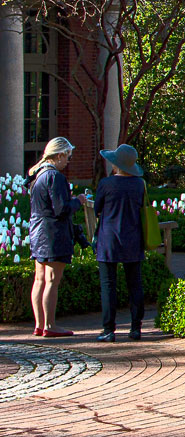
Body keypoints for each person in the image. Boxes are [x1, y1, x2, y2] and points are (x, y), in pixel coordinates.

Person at [28, 137, 86, 338]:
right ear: (59, 155)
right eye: (67, 156)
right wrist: (78, 201)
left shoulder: (37, 176)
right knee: (52, 280)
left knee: (39, 279)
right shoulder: (56, 177)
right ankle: (50, 325)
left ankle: (39, 324)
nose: (68, 161)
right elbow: (61, 209)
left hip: (38, 231)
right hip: (54, 233)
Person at [94, 143, 147, 342]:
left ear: (116, 164)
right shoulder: (139, 185)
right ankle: (136, 328)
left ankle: (108, 330)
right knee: (135, 284)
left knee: (108, 285)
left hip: (109, 239)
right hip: (133, 238)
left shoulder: (106, 184)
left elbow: (97, 208)